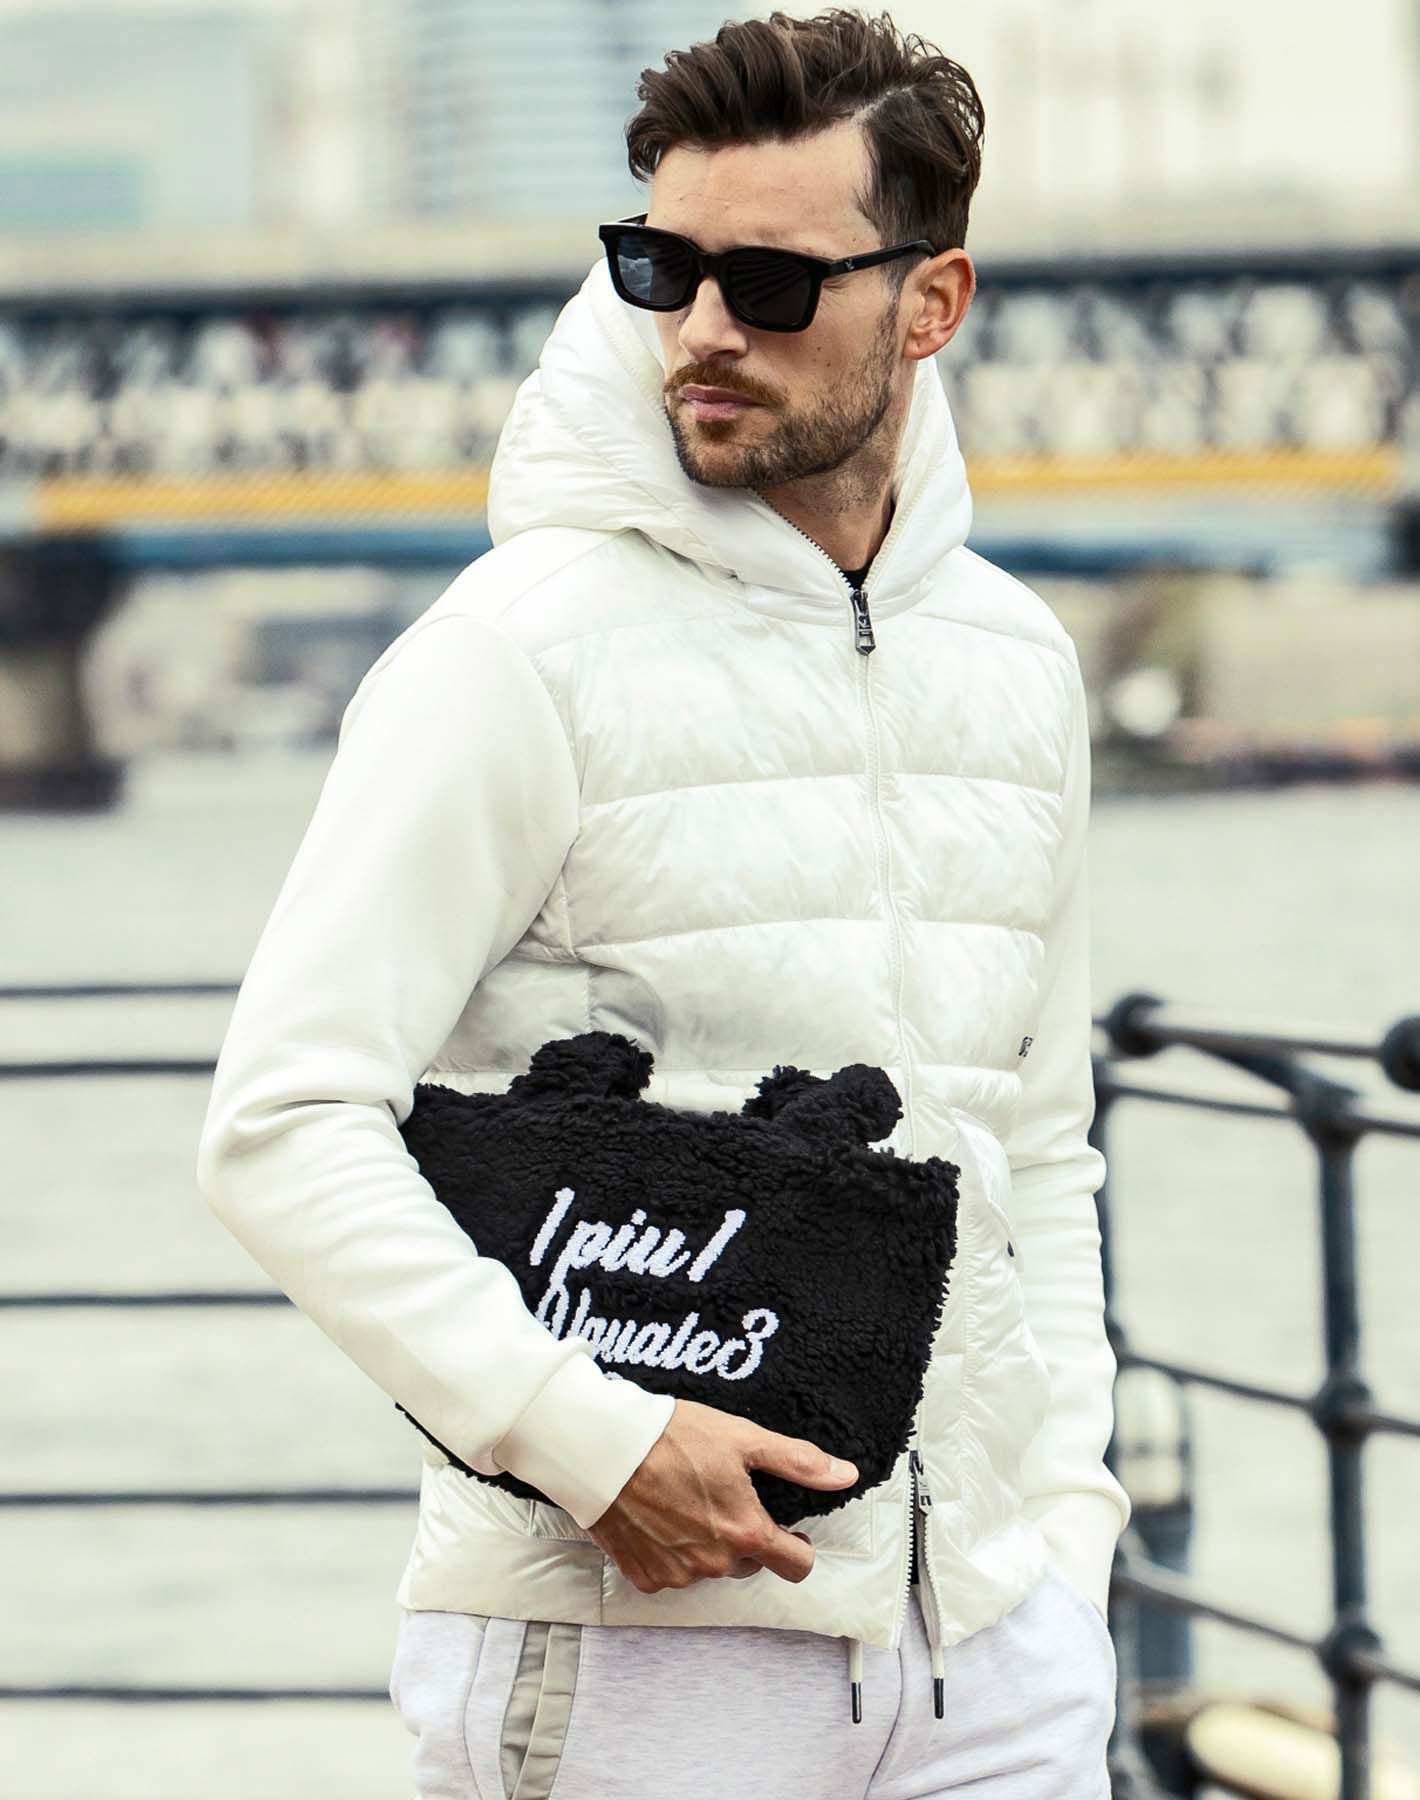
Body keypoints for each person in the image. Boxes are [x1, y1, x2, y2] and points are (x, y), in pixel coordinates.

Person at [196, 8, 1132, 1796]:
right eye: (661, 268)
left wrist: (1066, 1527)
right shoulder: (512, 653)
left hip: (992, 1651)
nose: (700, 330)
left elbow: (1045, 1140)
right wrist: (587, 1442)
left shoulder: (1018, 661)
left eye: (768, 284)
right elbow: (281, 1124)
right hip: (634, 1652)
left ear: (931, 303)